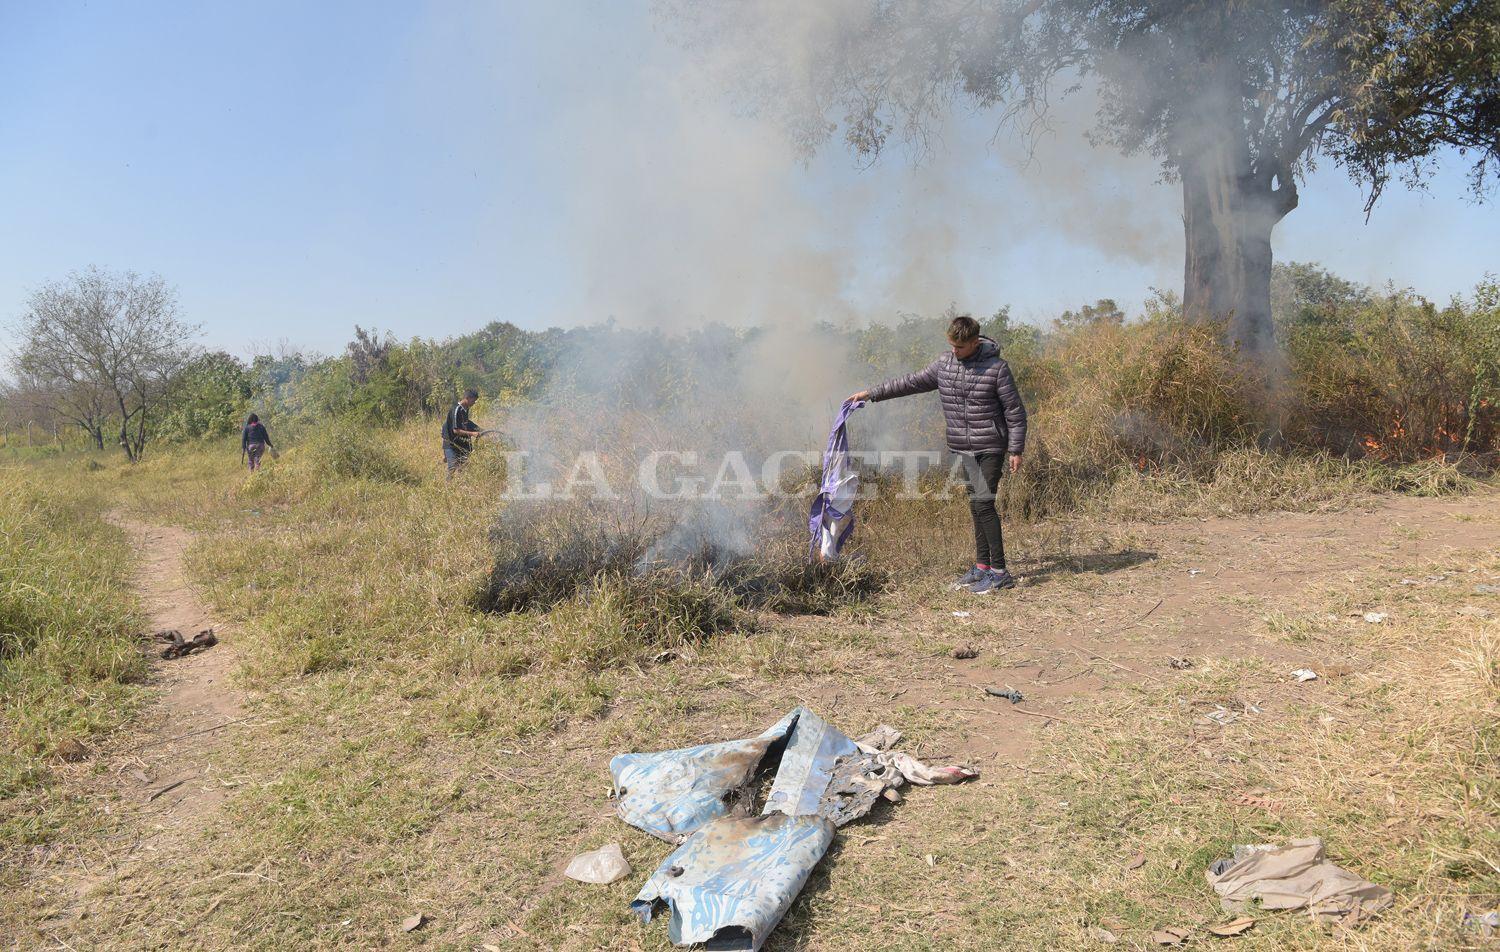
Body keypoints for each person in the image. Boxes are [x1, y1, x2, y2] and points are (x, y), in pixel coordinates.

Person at [849, 314, 1027, 594]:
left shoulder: (997, 368)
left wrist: (1016, 448)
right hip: (963, 446)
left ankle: (1000, 572)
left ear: (975, 342)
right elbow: (910, 382)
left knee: (983, 504)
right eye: (952, 346)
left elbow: (1015, 411)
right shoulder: (944, 364)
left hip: (991, 444)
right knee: (975, 505)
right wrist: (871, 394)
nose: (955, 352)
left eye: (961, 347)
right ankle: (982, 567)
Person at [441, 388, 484, 476]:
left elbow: (466, 422)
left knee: (463, 467)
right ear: (467, 398)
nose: (474, 403)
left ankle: (460, 487)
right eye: (474, 400)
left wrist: (480, 430)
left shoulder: (465, 409)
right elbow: (456, 430)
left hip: (461, 443)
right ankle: (448, 487)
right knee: (452, 467)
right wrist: (472, 433)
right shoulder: (456, 410)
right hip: (451, 443)